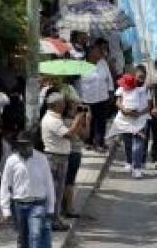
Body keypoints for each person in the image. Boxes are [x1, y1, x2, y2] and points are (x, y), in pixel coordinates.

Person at [39, 91, 87, 230]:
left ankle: (55, 218)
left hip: (60, 157)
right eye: (63, 104)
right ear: (56, 105)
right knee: (55, 191)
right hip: (54, 158)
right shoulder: (52, 120)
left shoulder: (56, 117)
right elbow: (69, 134)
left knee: (58, 190)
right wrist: (78, 119)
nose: (65, 106)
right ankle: (53, 220)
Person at [0, 132, 55, 248]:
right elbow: (5, 185)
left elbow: (49, 183)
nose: (24, 148)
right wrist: (5, 209)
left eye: (27, 145)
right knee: (23, 238)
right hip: (19, 205)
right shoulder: (11, 160)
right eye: (21, 145)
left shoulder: (41, 159)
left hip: (38, 203)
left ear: (32, 145)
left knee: (35, 235)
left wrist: (51, 207)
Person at [109, 68, 150, 179]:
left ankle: (137, 168)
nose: (141, 79)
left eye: (143, 77)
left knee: (138, 144)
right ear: (134, 76)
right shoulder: (123, 87)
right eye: (139, 76)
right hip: (125, 120)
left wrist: (139, 113)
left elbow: (149, 106)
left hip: (140, 120)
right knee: (128, 142)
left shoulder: (145, 89)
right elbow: (117, 102)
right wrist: (124, 109)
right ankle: (129, 162)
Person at [75, 38, 113, 151]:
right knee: (87, 122)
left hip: (102, 97)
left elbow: (109, 78)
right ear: (90, 52)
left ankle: (100, 143)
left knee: (101, 121)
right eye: (98, 50)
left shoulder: (103, 63)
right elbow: (77, 83)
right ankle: (88, 142)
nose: (101, 52)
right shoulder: (81, 65)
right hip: (86, 99)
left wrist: (110, 91)